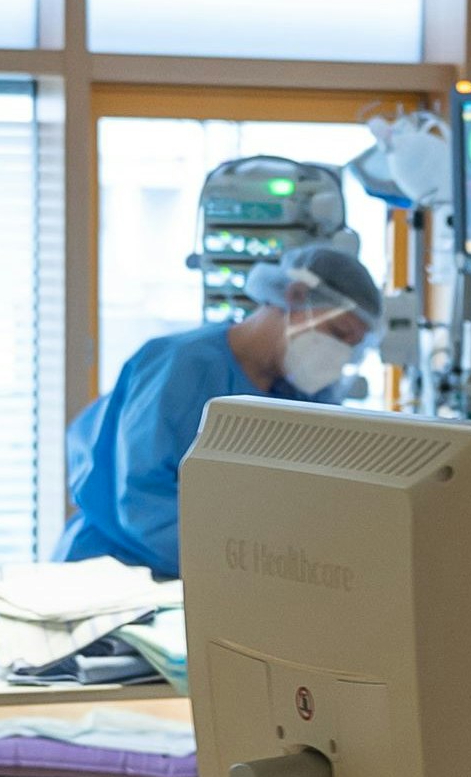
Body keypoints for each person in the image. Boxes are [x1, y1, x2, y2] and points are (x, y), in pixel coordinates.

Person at [55, 244, 383, 574]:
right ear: (296, 295)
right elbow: (141, 500)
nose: (339, 355)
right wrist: (236, 567)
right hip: (114, 571)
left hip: (219, 578)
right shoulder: (181, 367)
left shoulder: (304, 400)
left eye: (352, 348)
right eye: (338, 334)